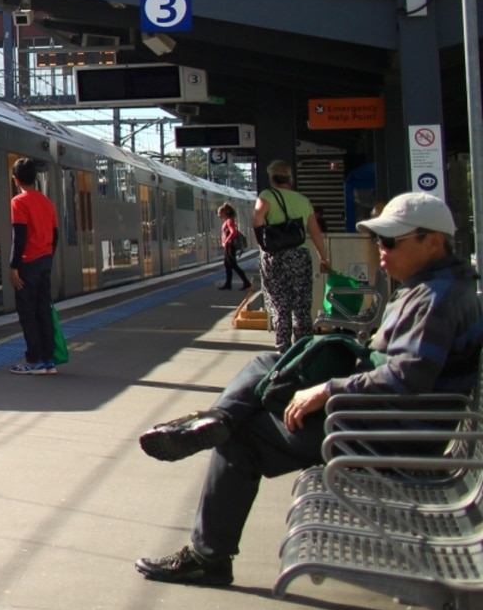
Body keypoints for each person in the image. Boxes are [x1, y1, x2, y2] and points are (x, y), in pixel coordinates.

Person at [132, 191, 483, 586]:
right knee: (273, 364)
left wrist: (327, 390)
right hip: (386, 420)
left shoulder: (435, 299)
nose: (380, 251)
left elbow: (408, 376)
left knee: (243, 441)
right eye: (377, 241)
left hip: (389, 434)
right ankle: (219, 417)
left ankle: (208, 553)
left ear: (432, 241)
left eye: (390, 242)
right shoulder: (436, 287)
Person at [253, 160, 329, 353]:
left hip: (274, 256)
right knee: (302, 304)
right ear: (289, 178)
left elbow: (257, 219)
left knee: (280, 304)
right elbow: (315, 232)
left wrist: (264, 243)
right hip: (299, 256)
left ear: (272, 177)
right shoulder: (303, 201)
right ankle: (304, 350)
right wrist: (323, 257)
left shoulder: (267, 195)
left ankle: (283, 351)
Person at [7, 157, 59, 375]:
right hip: (45, 261)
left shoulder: (19, 201)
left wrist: (13, 266)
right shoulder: (47, 202)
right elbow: (55, 235)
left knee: (27, 312)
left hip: (28, 263)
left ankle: (34, 360)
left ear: (16, 179)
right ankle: (48, 360)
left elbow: (19, 236)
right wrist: (47, 256)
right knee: (43, 310)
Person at [216, 203, 251, 292]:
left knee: (233, 265)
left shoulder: (229, 221)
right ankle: (228, 283)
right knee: (227, 265)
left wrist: (227, 241)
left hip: (230, 246)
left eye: (220, 213)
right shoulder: (227, 221)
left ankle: (246, 282)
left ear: (225, 212)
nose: (218, 215)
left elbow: (233, 232)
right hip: (228, 246)